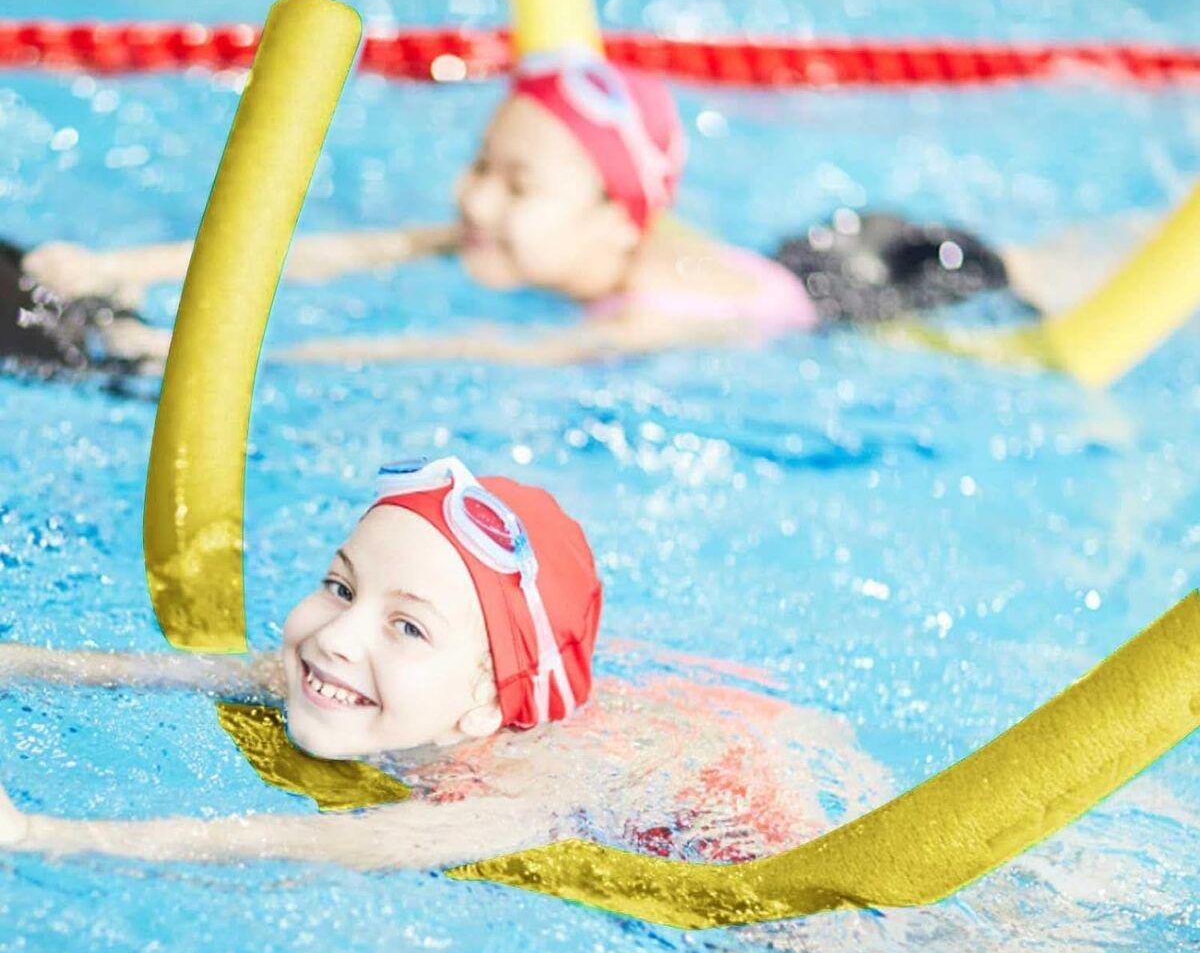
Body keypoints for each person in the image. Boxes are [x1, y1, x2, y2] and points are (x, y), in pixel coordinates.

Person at [0, 457, 886, 869]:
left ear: (482, 709)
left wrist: (51, 837)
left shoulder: (510, 796)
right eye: (340, 587)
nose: (337, 637)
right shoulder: (343, 666)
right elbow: (135, 670)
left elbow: (321, 843)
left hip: (753, 800)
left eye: (408, 628)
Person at [3, 48, 1078, 376]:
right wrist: (113, 267)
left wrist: (213, 359)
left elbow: (452, 349)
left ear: (617, 223)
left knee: (1043, 284)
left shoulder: (644, 315)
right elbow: (343, 251)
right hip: (798, 250)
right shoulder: (529, 236)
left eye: (518, 187)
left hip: (870, 288)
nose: (474, 198)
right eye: (482, 165)